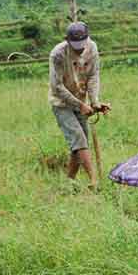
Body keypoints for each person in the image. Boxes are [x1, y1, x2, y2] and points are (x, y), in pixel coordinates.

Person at [48, 21, 111, 186]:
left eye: (82, 45)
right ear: (67, 41)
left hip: (82, 100)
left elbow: (93, 76)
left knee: (78, 146)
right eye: (75, 46)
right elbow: (57, 86)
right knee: (79, 139)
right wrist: (80, 105)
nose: (80, 49)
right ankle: (94, 180)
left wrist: (94, 101)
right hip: (62, 103)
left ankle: (69, 182)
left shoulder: (92, 48)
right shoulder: (58, 54)